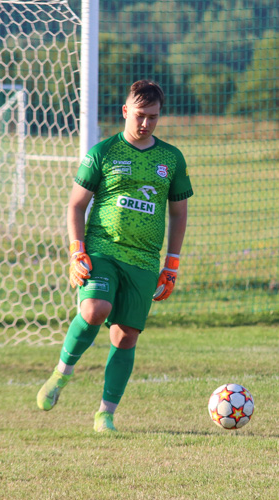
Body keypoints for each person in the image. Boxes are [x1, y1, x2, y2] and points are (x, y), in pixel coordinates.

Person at [36, 79, 193, 432]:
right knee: (94, 309)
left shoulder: (171, 159)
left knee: (125, 336)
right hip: (103, 249)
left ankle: (105, 413)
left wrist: (172, 264)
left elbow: (179, 213)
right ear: (125, 111)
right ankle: (62, 373)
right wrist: (77, 252)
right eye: (140, 115)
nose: (145, 124)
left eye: (153, 117)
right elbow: (76, 205)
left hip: (144, 260)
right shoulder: (103, 152)